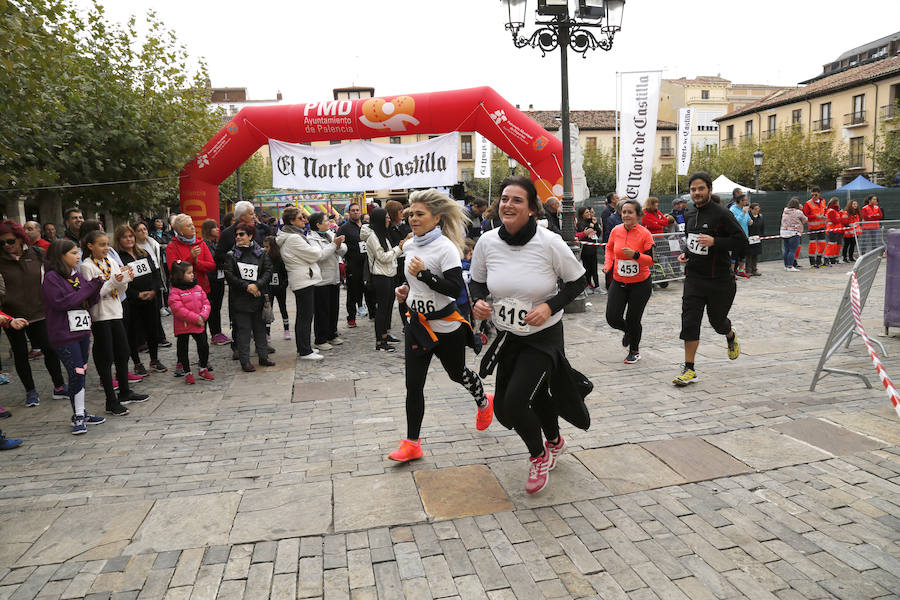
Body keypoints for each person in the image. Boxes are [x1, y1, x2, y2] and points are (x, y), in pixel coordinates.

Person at [470, 176, 590, 495]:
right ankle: (554, 440)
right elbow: (477, 282)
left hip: (544, 336)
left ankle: (538, 456)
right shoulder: (487, 242)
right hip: (509, 336)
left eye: (517, 200)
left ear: (532, 208)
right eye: (505, 198)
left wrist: (550, 307)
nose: (508, 204)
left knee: (514, 402)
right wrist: (479, 301)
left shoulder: (549, 242)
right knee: (533, 398)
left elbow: (578, 282)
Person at [389, 189, 491, 462]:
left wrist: (424, 274)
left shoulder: (446, 247)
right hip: (418, 325)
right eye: (411, 214)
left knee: (457, 374)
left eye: (420, 214)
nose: (413, 219)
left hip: (446, 325)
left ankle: (483, 400)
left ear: (437, 218)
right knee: (414, 385)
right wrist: (404, 290)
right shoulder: (409, 245)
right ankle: (412, 443)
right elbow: (411, 283)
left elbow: (454, 288)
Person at [673, 172, 747, 387]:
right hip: (694, 278)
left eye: (700, 189)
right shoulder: (689, 214)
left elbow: (741, 241)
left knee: (717, 322)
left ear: (709, 190)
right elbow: (693, 242)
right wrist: (687, 252)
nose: (696, 193)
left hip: (720, 280)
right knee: (689, 322)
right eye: (693, 189)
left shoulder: (722, 214)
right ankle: (689, 368)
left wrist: (715, 241)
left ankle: (730, 334)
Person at [79, 230, 149, 414]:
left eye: (107, 244)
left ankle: (125, 391)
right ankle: (111, 400)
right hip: (101, 314)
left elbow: (122, 286)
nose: (106, 248)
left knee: (123, 351)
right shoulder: (87, 266)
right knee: (106, 356)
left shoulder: (109, 261)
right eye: (101, 244)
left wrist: (125, 278)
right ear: (90, 246)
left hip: (116, 310)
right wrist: (112, 282)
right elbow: (93, 294)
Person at [42, 239, 107, 434]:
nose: (78, 256)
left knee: (82, 371)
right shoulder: (52, 278)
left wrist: (97, 287)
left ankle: (81, 412)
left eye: (77, 253)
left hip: (81, 330)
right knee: (76, 371)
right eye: (73, 253)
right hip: (63, 333)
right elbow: (64, 302)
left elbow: (86, 300)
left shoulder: (75, 275)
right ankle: (78, 415)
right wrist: (89, 287)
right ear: (60, 256)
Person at [0, 220, 68, 406]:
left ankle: (59, 386)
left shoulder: (37, 253)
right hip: (11, 316)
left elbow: (54, 278)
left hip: (40, 312)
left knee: (50, 349)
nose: (6, 246)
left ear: (20, 238)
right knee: (21, 355)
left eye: (10, 241)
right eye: (2, 243)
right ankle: (31, 392)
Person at [277, 206, 344, 360]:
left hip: (305, 277)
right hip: (302, 279)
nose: (305, 220)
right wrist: (333, 245)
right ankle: (305, 350)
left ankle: (305, 348)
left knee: (305, 316)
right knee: (305, 317)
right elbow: (315, 254)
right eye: (301, 218)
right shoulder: (293, 237)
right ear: (292, 221)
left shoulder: (294, 235)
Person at [603, 199, 654, 364]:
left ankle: (634, 350)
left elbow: (650, 260)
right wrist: (608, 265)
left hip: (640, 284)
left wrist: (635, 255)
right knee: (612, 317)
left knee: (633, 319)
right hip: (619, 281)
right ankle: (629, 331)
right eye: (624, 212)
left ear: (638, 215)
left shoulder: (644, 233)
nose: (626, 215)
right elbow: (609, 248)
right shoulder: (616, 230)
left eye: (630, 212)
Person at [114, 225, 167, 376]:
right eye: (125, 237)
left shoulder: (143, 253)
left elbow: (156, 274)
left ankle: (154, 359)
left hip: (151, 299)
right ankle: (137, 362)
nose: (129, 239)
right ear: (119, 239)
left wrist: (154, 290)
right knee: (133, 333)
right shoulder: (118, 258)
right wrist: (136, 294)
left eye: (131, 236)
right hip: (132, 302)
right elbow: (122, 281)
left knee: (153, 330)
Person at [225, 223, 274, 372]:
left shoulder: (262, 252)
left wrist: (257, 285)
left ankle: (263, 356)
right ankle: (245, 361)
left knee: (260, 329)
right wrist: (247, 286)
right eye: (237, 234)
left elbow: (268, 270)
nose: (238, 237)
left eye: (242, 234)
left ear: (250, 236)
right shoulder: (231, 255)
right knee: (243, 331)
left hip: (258, 297)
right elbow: (229, 275)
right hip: (240, 298)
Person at [363, 207, 409, 352]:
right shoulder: (373, 237)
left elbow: (391, 254)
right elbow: (383, 257)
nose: (389, 220)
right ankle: (379, 341)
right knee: (382, 309)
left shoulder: (383, 234)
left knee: (388, 307)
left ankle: (385, 334)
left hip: (390, 274)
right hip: (380, 276)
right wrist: (399, 248)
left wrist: (403, 247)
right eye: (387, 218)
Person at [168, 261, 213, 383]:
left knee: (203, 345)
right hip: (184, 325)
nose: (192, 275)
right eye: (189, 273)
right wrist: (195, 318)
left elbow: (206, 303)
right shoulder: (175, 291)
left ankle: (203, 368)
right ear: (179, 275)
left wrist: (203, 316)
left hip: (199, 323)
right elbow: (178, 309)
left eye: (192, 272)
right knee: (183, 348)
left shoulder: (197, 288)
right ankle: (187, 371)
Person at [308, 213, 347, 350]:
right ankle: (321, 338)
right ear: (318, 224)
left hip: (334, 277)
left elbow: (343, 251)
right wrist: (334, 245)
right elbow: (320, 256)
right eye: (326, 221)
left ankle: (332, 334)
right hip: (321, 280)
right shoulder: (310, 238)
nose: (329, 223)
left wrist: (339, 245)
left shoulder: (330, 233)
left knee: (333, 309)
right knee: (322, 311)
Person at [134, 221, 172, 348]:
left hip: (155, 276)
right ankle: (142, 340)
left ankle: (160, 337)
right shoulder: (133, 247)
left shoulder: (153, 243)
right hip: (140, 280)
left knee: (156, 309)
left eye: (144, 229)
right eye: (139, 230)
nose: (143, 232)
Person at [336, 202, 366, 327]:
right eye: (353, 210)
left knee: (369, 289)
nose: (355, 212)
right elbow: (338, 245)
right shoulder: (344, 228)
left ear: (360, 211)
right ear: (349, 212)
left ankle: (372, 312)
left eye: (357, 210)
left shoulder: (366, 226)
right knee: (353, 291)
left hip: (367, 262)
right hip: (353, 263)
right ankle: (351, 318)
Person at [201, 219, 230, 346]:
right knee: (212, 307)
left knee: (217, 307)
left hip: (219, 278)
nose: (218, 230)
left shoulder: (217, 243)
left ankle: (217, 332)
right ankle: (214, 333)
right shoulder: (204, 244)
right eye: (214, 228)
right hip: (211, 279)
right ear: (208, 230)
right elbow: (213, 260)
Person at [262, 235, 290, 340]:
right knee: (268, 310)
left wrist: (283, 285)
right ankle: (267, 332)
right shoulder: (264, 258)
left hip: (280, 288)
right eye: (264, 247)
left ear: (273, 247)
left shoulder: (280, 259)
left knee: (283, 307)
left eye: (267, 247)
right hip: (269, 288)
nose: (265, 249)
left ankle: (286, 330)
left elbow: (285, 274)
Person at [575, 206, 601, 292]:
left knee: (594, 268)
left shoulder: (592, 221)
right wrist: (588, 232)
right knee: (587, 268)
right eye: (586, 213)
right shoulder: (580, 224)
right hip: (585, 250)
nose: (589, 214)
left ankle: (597, 286)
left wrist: (596, 225)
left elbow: (598, 233)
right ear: (582, 215)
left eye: (589, 212)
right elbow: (582, 235)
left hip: (593, 248)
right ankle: (587, 285)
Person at [780, 197, 807, 272]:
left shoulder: (785, 211)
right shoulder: (798, 212)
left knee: (787, 250)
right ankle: (790, 266)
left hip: (784, 232)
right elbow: (805, 220)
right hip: (794, 233)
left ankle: (786, 265)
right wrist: (801, 210)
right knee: (792, 250)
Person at [803, 186, 827, 268]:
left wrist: (825, 215)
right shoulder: (808, 203)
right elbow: (806, 215)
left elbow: (824, 210)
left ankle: (819, 260)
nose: (814, 196)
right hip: (813, 227)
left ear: (819, 194)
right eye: (812, 195)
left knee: (823, 244)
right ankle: (812, 262)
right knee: (812, 245)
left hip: (822, 226)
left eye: (815, 195)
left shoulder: (823, 201)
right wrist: (816, 216)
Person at [729, 194, 752, 278]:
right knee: (734, 256)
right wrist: (743, 213)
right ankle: (732, 272)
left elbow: (748, 219)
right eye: (745, 200)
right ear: (740, 201)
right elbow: (735, 221)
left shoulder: (744, 209)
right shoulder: (732, 209)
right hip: (736, 236)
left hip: (745, 235)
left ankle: (741, 271)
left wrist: (750, 221)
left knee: (743, 255)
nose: (746, 202)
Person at [824, 197, 844, 266]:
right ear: (836, 203)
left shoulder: (835, 210)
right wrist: (841, 216)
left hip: (836, 230)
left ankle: (833, 259)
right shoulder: (831, 211)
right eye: (838, 202)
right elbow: (835, 221)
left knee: (835, 245)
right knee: (831, 244)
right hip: (832, 230)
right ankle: (826, 258)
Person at [746, 203, 765, 276]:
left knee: (756, 254)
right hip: (749, 237)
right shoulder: (748, 216)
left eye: (758, 209)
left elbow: (762, 226)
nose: (757, 210)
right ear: (751, 209)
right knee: (749, 255)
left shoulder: (760, 217)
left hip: (757, 238)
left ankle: (754, 269)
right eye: (755, 209)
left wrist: (762, 235)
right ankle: (748, 270)